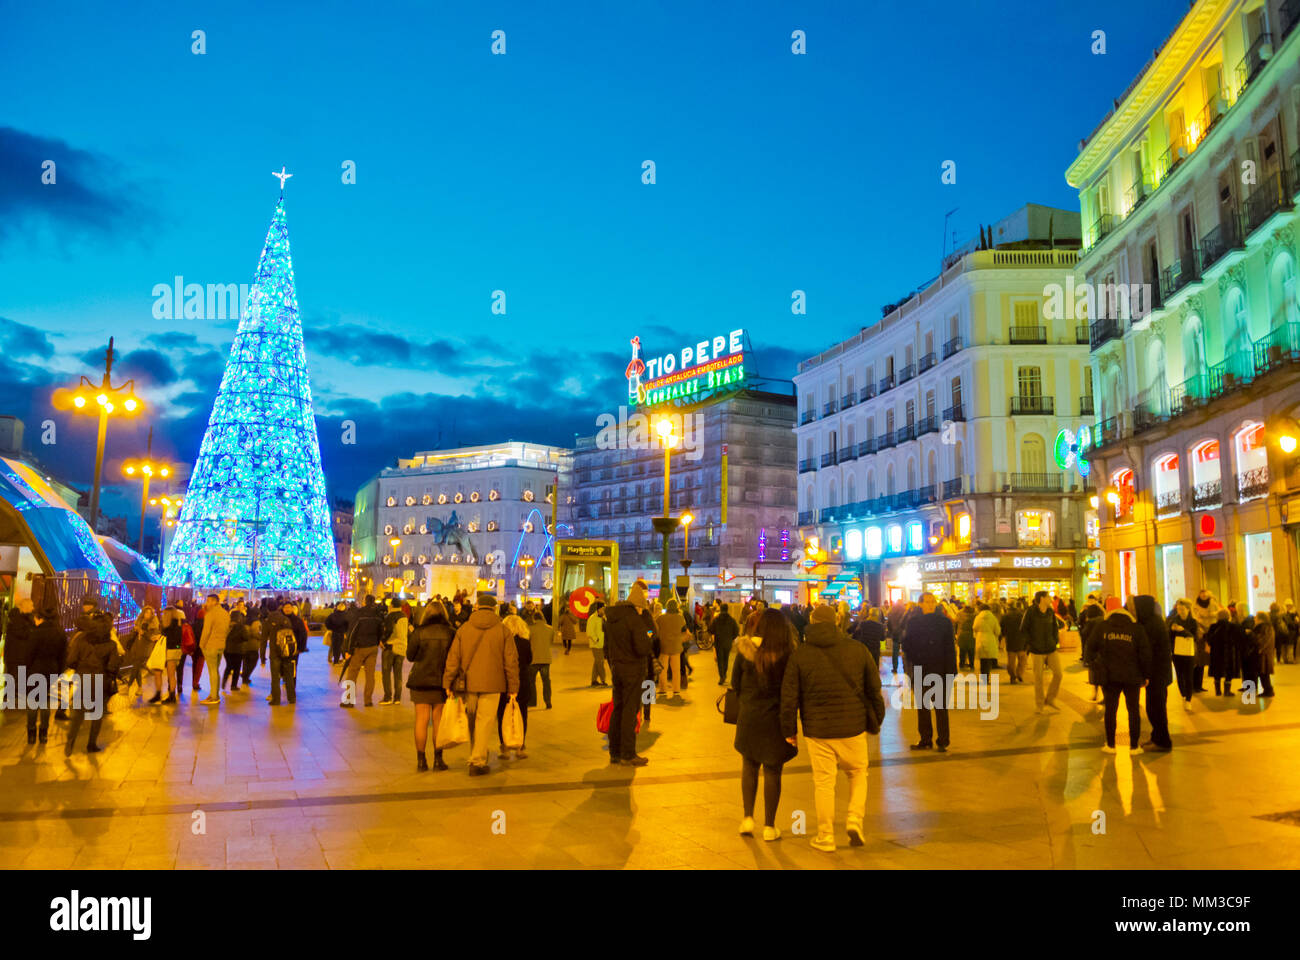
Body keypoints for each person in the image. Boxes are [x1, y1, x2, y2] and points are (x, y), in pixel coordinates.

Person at [780, 605, 886, 852]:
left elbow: (789, 696)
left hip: (818, 731)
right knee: (858, 773)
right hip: (854, 726)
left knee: (824, 783)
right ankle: (854, 820)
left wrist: (789, 729)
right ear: (836, 622)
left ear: (812, 622)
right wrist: (876, 720)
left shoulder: (801, 654)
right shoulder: (857, 650)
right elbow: (874, 688)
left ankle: (826, 836)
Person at [733, 609, 800, 842]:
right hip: (776, 719)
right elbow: (792, 690)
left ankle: (747, 818)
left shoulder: (744, 652)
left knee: (749, 766)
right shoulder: (788, 653)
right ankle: (770, 827)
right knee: (773, 771)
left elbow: (735, 685)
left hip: (750, 716)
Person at [442, 592, 520, 775]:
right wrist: (513, 687)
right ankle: (478, 760)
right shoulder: (503, 630)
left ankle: (475, 754)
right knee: (485, 721)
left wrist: (447, 681)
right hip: (493, 684)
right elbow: (511, 661)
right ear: (494, 609)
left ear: (476, 607)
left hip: (468, 683)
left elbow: (453, 658)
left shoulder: (464, 629)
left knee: (472, 720)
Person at [1087, 597, 1151, 753]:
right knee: (1133, 710)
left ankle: (1110, 745)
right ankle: (1134, 746)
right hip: (1133, 676)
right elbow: (1145, 653)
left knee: (1110, 710)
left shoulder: (1103, 626)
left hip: (1110, 676)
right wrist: (1146, 675)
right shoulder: (1136, 628)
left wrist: (1097, 665)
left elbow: (1089, 648)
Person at [604, 582, 654, 766]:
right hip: (633, 670)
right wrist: (648, 637)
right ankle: (628, 753)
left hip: (617, 668)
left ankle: (614, 752)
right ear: (638, 606)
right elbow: (642, 647)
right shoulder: (634, 619)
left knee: (617, 709)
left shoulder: (612, 618)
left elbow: (607, 646)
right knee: (630, 711)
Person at [900, 593, 957, 752]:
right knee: (923, 707)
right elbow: (906, 644)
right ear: (921, 604)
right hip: (921, 669)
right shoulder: (914, 622)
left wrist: (951, 670)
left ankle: (943, 740)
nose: (931, 605)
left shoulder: (945, 622)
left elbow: (950, 648)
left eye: (933, 602)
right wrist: (915, 659)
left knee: (940, 707)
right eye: (927, 602)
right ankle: (926, 739)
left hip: (940, 670)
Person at [64, 607, 120, 755]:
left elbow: (70, 660)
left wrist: (80, 668)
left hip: (83, 678)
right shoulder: (111, 645)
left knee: (78, 711)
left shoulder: (82, 640)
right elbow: (113, 666)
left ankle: (71, 739)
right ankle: (91, 744)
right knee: (97, 713)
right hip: (101, 681)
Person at [8, 601, 65, 744]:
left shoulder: (36, 634)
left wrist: (27, 671)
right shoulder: (60, 633)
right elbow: (63, 655)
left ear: (41, 618)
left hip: (35, 670)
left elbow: (29, 655)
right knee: (45, 703)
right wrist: (58, 671)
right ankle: (44, 733)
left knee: (33, 703)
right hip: (51, 670)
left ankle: (31, 733)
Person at [407, 601, 454, 771]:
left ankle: (421, 761)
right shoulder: (450, 633)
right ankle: (438, 760)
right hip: (441, 682)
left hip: (420, 681)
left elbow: (410, 656)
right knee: (438, 721)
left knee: (421, 720)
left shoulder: (419, 632)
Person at [1133, 595, 1172, 752]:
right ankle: (1157, 737)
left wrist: (1145, 674)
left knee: (1156, 709)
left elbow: (1147, 652)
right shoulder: (1153, 621)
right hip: (1158, 674)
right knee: (1154, 707)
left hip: (1157, 674)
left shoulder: (1152, 625)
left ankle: (1163, 741)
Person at [497, 613, 533, 760]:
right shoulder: (525, 642)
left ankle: (504, 746)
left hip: (503, 682)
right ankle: (520, 746)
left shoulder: (501, 642)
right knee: (521, 714)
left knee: (502, 714)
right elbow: (529, 660)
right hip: (522, 682)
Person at [1021, 590, 1063, 714]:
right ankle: (1040, 705)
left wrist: (1054, 641)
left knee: (1058, 674)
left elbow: (1055, 628)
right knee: (1038, 678)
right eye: (1048, 597)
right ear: (1042, 598)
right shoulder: (1031, 612)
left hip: (1050, 648)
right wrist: (1031, 643)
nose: (1051, 599)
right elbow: (1023, 629)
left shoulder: (1050, 612)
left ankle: (1050, 698)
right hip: (1036, 650)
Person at [341, 594, 385, 708]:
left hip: (359, 647)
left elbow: (352, 633)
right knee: (370, 675)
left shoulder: (359, 614)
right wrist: (378, 640)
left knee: (352, 674)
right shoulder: (378, 614)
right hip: (373, 648)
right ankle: (368, 700)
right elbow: (381, 630)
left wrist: (348, 650)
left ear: (365, 601)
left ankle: (349, 700)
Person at [264, 602, 299, 706]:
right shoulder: (286, 619)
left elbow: (263, 640)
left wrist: (262, 657)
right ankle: (292, 698)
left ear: (268, 610)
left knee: (275, 677)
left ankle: (276, 700)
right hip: (286, 651)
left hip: (275, 652)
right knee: (288, 676)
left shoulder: (268, 621)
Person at [197, 594, 230, 705]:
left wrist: (201, 645)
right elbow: (227, 629)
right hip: (221, 645)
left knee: (212, 671)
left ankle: (213, 697)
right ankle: (215, 695)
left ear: (214, 602)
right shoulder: (225, 613)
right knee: (215, 670)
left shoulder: (210, 614)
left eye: (208, 601)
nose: (207, 603)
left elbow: (206, 632)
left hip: (211, 645)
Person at [655, 600, 688, 700]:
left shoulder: (660, 618)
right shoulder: (680, 618)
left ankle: (663, 689)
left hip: (663, 647)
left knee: (663, 670)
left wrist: (650, 635)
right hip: (676, 647)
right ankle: (676, 690)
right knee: (676, 670)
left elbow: (652, 629)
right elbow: (684, 631)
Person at [1167, 599, 1198, 704]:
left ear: (1188, 609)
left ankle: (1188, 699)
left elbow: (1194, 637)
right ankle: (1184, 694)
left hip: (1189, 652)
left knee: (1189, 675)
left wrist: (1183, 631)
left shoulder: (1193, 621)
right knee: (1180, 675)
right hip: (1176, 652)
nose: (1180, 611)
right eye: (1178, 609)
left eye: (1182, 609)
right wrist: (1171, 629)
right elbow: (1169, 637)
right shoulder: (1174, 620)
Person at [379, 599, 410, 705]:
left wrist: (383, 641)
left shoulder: (390, 616)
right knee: (398, 673)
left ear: (392, 605)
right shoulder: (404, 616)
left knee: (386, 673)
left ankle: (387, 697)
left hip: (391, 646)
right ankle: (397, 698)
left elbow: (388, 630)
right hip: (402, 647)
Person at [1190, 590, 1221, 691]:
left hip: (1210, 634)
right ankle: (1195, 685)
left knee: (1203, 661)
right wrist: (1200, 621)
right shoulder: (1195, 605)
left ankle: (1198, 685)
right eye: (1201, 593)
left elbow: (1219, 613)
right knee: (1198, 661)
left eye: (1205, 593)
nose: (1203, 595)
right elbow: (1195, 617)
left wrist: (1211, 614)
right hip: (1200, 634)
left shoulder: (1213, 603)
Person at [1206, 609, 1241, 696]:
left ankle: (1217, 691)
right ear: (1228, 616)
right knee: (1229, 672)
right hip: (1229, 653)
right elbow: (1237, 639)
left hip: (1216, 653)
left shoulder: (1213, 627)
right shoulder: (1233, 626)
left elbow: (1209, 639)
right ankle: (1227, 691)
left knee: (1217, 672)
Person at [527, 609, 555, 708]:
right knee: (546, 681)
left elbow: (528, 643)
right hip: (546, 659)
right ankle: (548, 702)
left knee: (531, 681)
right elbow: (551, 642)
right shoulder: (550, 629)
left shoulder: (530, 629)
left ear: (534, 618)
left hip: (533, 659)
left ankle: (532, 701)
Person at [709, 602, 740, 685]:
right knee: (726, 659)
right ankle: (724, 674)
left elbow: (711, 630)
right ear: (727, 609)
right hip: (728, 643)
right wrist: (731, 638)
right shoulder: (732, 620)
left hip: (719, 642)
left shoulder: (716, 619)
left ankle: (722, 676)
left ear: (721, 609)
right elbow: (736, 631)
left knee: (720, 660)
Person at [1248, 610, 1276, 698]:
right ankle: (1267, 690)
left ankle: (1268, 690)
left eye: (1256, 617)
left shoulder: (1264, 627)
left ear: (1261, 619)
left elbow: (1262, 640)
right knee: (1263, 673)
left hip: (1263, 655)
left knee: (1263, 673)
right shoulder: (1267, 627)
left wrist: (1251, 634)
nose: (1254, 619)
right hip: (1264, 654)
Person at [222, 604, 249, 693]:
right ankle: (233, 685)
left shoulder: (226, 625)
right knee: (237, 669)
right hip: (238, 650)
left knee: (228, 667)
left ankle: (223, 682)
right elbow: (246, 637)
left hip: (227, 650)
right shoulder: (241, 627)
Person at [972, 602, 1000, 687]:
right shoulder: (993, 618)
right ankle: (986, 679)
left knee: (982, 661)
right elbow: (997, 631)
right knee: (988, 661)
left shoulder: (977, 617)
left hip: (980, 639)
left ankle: (983, 678)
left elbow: (974, 627)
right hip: (990, 639)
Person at [1001, 599, 1026, 683]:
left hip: (1010, 639)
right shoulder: (1021, 615)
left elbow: (1002, 628)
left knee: (1011, 660)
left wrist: (1003, 636)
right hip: (1021, 639)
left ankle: (1012, 676)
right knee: (1022, 659)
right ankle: (1020, 674)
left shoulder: (1005, 616)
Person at [587, 602, 608, 686]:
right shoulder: (592, 618)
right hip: (596, 644)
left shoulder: (603, 618)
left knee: (597, 662)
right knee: (600, 662)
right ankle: (603, 679)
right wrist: (596, 639)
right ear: (599, 609)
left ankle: (593, 680)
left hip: (602, 644)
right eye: (603, 608)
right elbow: (589, 631)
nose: (604, 610)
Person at [955, 604, 976, 672]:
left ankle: (961, 664)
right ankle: (972, 665)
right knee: (971, 651)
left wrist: (956, 632)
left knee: (962, 650)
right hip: (971, 634)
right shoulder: (975, 614)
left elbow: (956, 622)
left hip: (962, 633)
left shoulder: (960, 613)